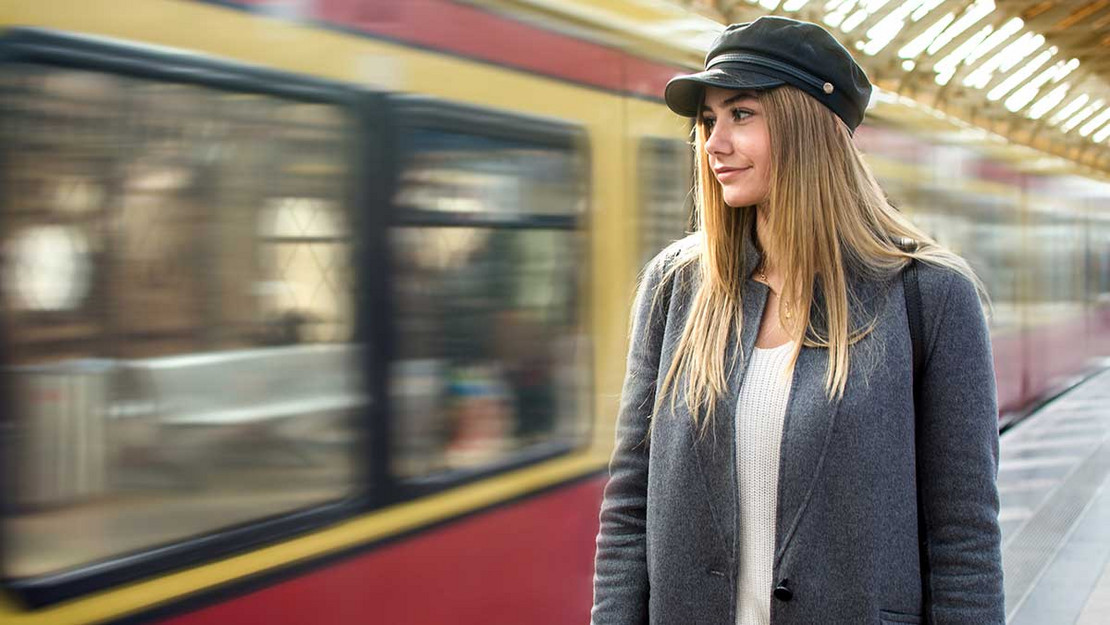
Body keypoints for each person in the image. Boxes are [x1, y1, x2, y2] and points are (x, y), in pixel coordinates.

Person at [590, 16, 1004, 625]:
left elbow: (963, 537)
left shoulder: (928, 296)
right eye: (708, 120)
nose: (714, 144)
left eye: (741, 114)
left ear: (808, 126)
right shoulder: (676, 288)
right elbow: (628, 506)